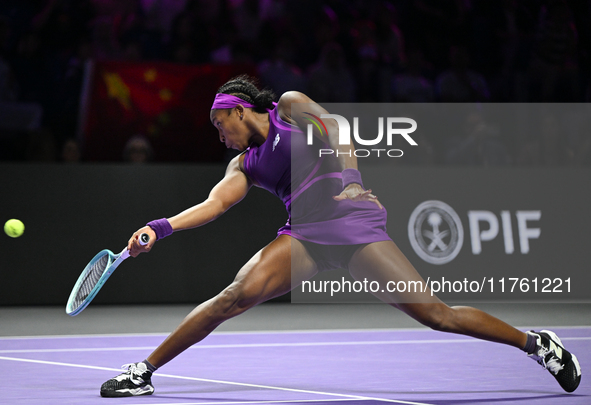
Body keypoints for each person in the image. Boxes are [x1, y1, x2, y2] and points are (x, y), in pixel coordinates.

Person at [100, 75, 581, 397]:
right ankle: (144, 371)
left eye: (218, 123)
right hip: (304, 237)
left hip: (353, 227)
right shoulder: (242, 163)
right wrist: (159, 228)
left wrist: (350, 175)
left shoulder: (288, 109)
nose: (217, 134)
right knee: (233, 296)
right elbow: (215, 204)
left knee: (437, 315)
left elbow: (336, 125)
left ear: (239, 109)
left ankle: (536, 344)